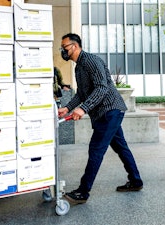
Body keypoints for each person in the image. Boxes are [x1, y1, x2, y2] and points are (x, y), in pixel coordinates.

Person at [58, 33, 143, 204]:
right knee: (121, 147)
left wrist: (83, 109)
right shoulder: (78, 67)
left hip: (110, 110)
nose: (62, 51)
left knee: (96, 149)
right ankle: (135, 181)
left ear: (74, 46)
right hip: (104, 112)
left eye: (64, 47)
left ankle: (83, 191)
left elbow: (101, 88)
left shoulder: (91, 61)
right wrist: (67, 108)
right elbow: (82, 93)